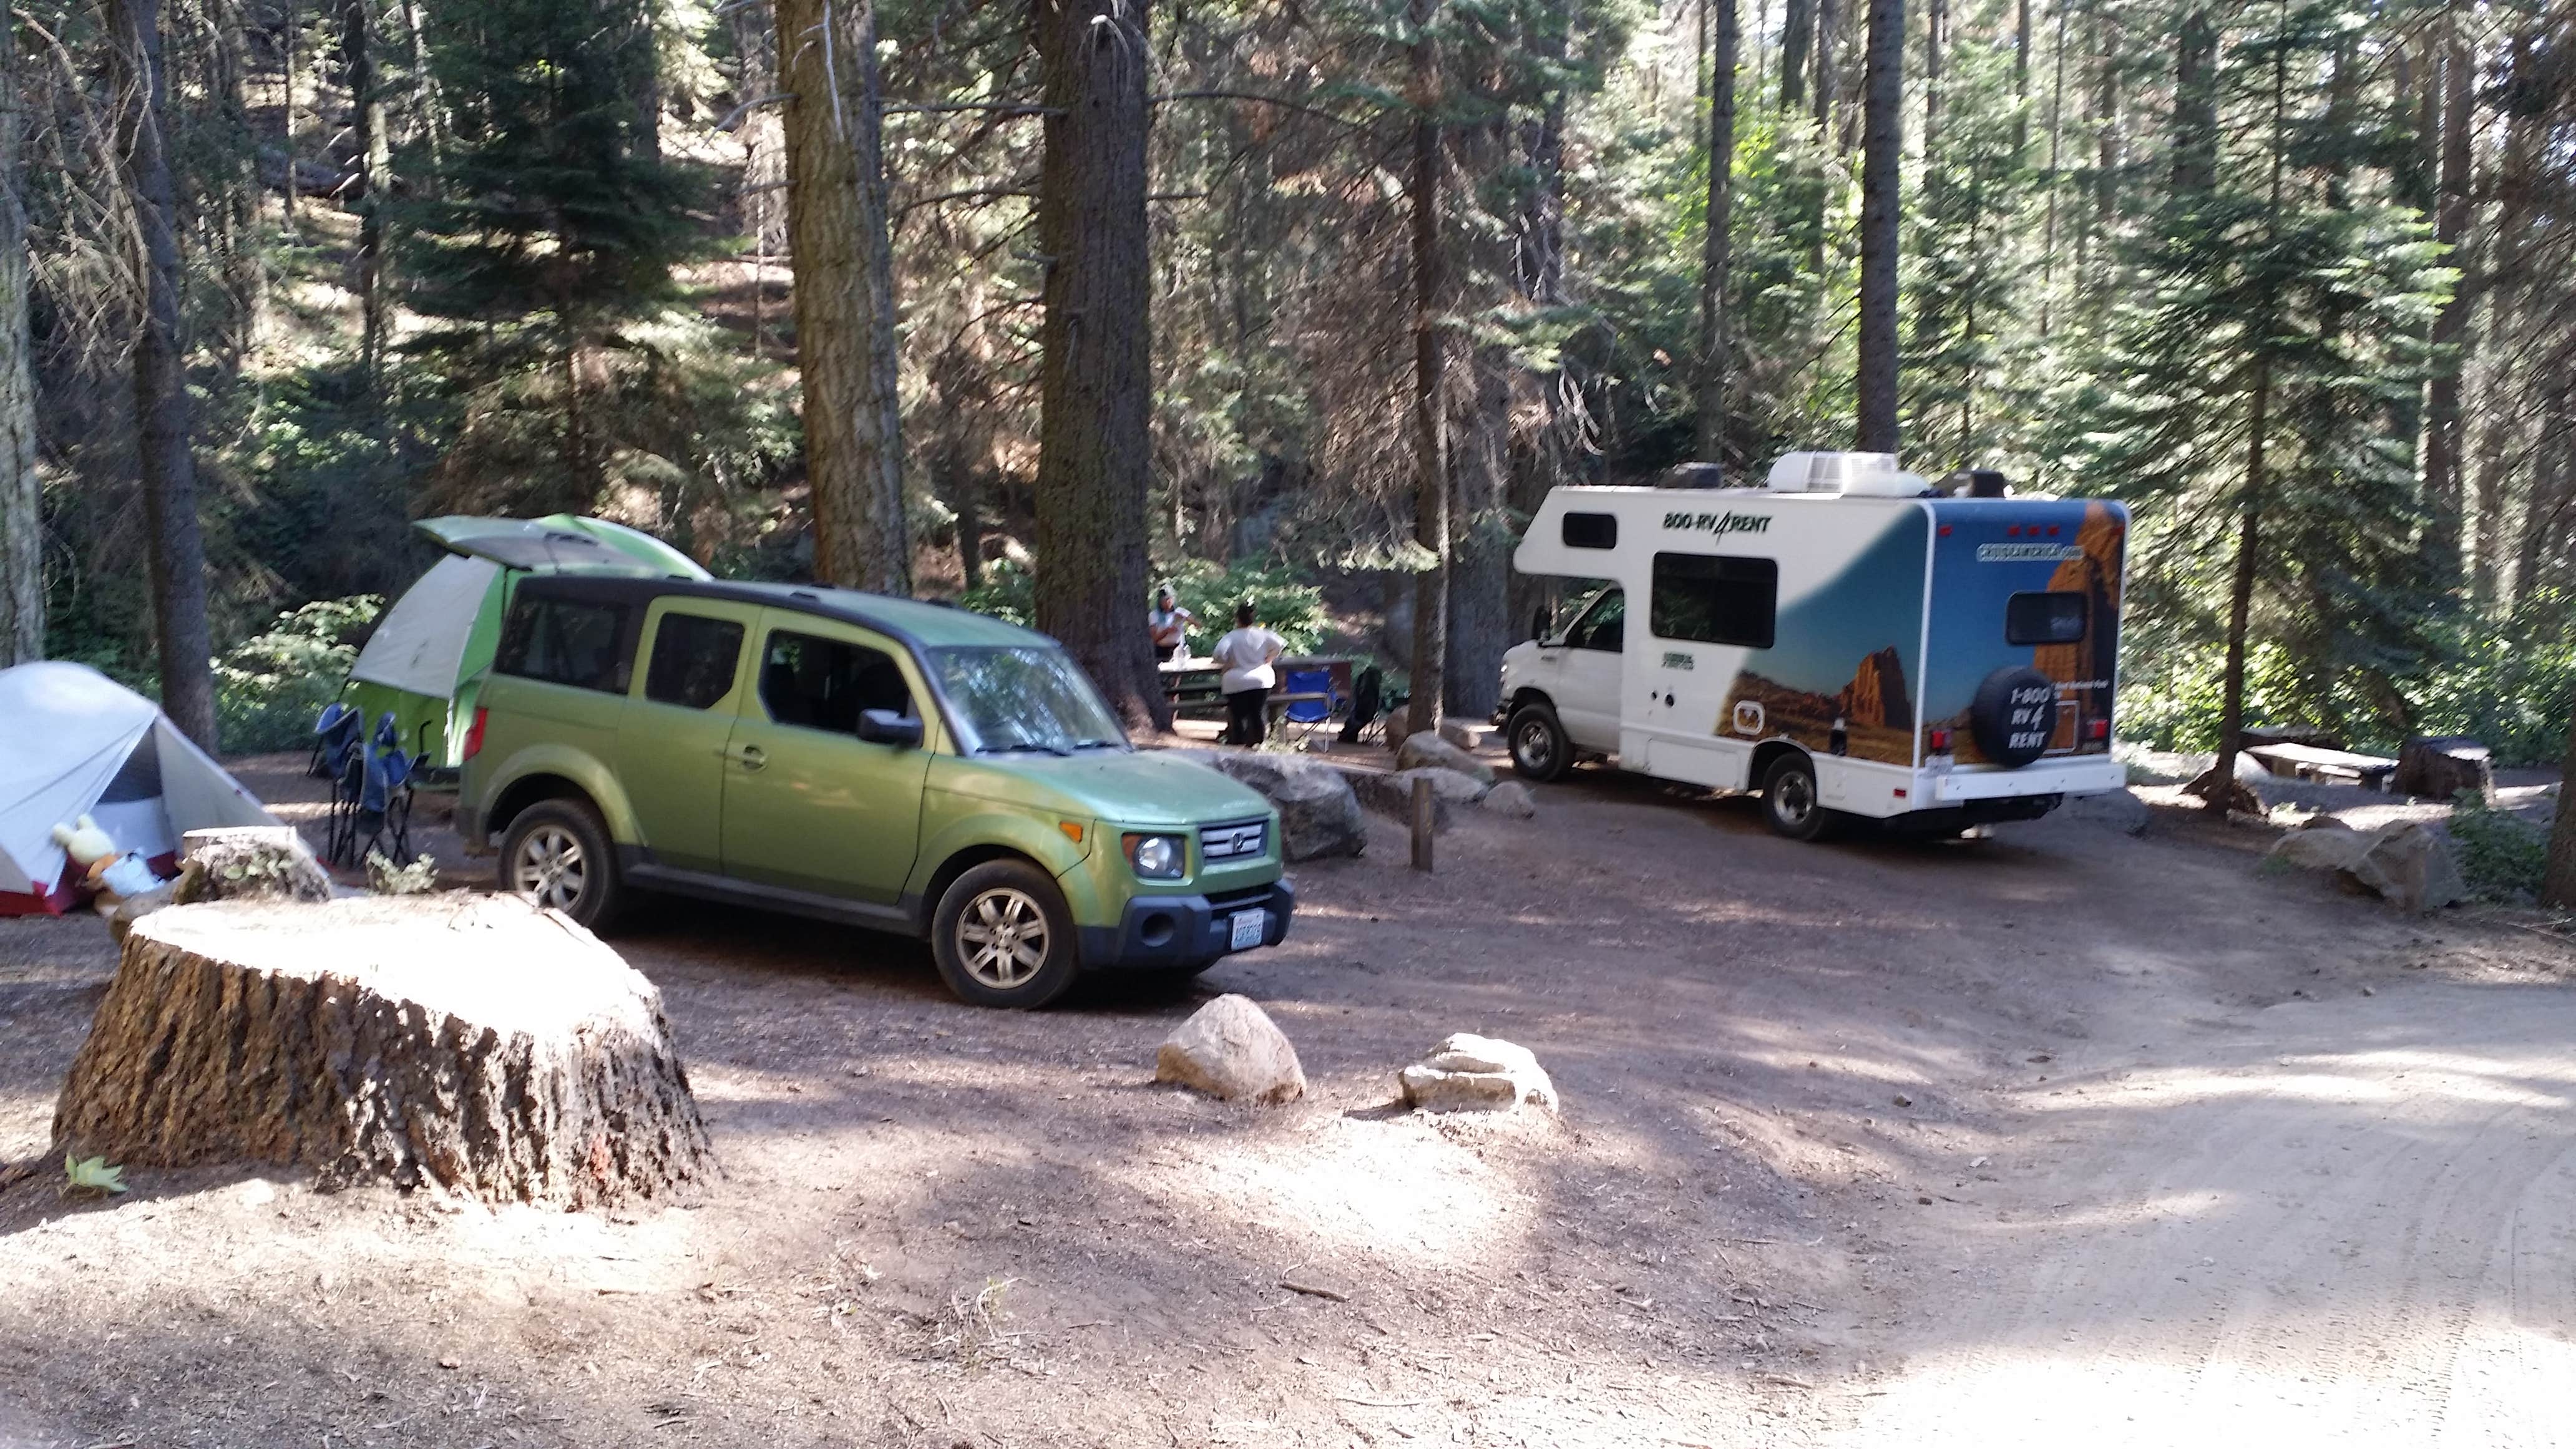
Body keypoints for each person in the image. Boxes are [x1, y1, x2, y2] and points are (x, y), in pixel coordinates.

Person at [1212, 602, 1286, 746]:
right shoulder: (1263, 634)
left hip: (1236, 680)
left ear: (1237, 618)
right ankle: (1258, 743)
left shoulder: (1231, 637)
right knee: (1257, 713)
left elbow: (1219, 653)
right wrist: (1269, 658)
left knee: (1238, 715)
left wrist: (1228, 663)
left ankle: (1238, 741)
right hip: (1261, 679)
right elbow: (1280, 644)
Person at [1146, 587, 1195, 662]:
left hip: (1178, 649)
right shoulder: (1154, 615)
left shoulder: (1179, 611)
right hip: (1161, 651)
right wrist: (1166, 631)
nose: (1168, 602)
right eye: (1165, 600)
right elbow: (1154, 639)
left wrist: (1185, 617)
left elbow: (1198, 624)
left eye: (1170, 599)